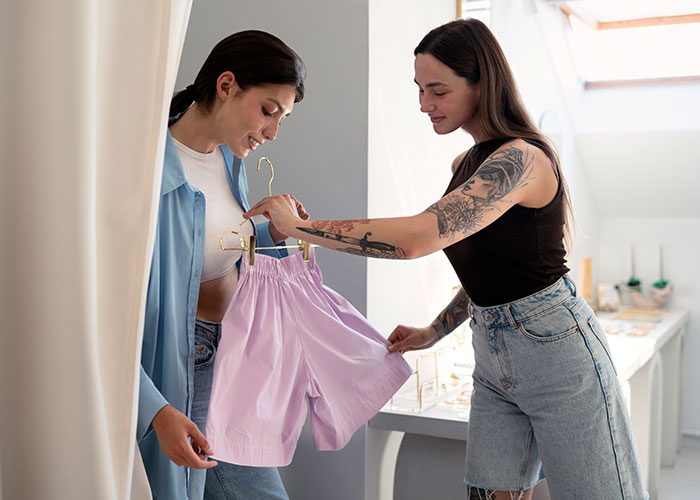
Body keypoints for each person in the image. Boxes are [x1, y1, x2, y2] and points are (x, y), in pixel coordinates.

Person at [244, 19, 647, 500]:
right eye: (419, 89)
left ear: (483, 82)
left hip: (559, 352)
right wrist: (435, 330)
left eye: (438, 90)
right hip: (493, 355)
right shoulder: (466, 165)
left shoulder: (522, 161)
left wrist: (300, 228)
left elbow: (419, 238)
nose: (423, 104)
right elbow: (492, 270)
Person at [137, 30, 308, 500]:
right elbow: (99, 313)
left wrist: (272, 234)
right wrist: (153, 407)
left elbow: (224, 254)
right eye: (269, 110)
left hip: (232, 359)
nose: (272, 132)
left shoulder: (230, 162)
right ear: (226, 85)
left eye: (283, 119)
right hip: (180, 365)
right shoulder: (147, 170)